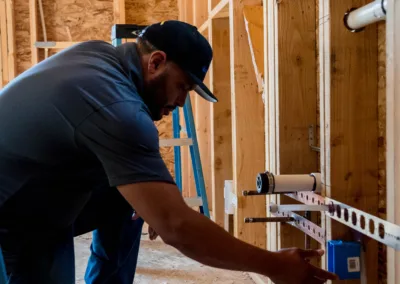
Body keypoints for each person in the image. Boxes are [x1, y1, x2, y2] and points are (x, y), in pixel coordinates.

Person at [0, 20, 337, 284]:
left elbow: (135, 168)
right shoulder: (117, 108)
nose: (179, 102)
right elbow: (178, 227)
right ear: (156, 62)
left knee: (128, 200)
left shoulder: (100, 57)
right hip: (14, 216)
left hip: (34, 184)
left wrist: (158, 201)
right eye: (182, 87)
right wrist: (274, 264)